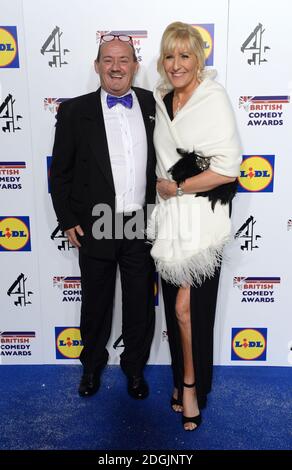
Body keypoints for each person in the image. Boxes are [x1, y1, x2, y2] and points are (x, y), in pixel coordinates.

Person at [50, 34, 156, 400]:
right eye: (108, 60)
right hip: (95, 221)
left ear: (134, 66)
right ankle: (92, 367)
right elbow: (59, 172)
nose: (115, 67)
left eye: (123, 59)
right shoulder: (74, 111)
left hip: (140, 221)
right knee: (95, 303)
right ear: (97, 66)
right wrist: (66, 219)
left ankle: (135, 370)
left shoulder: (152, 103)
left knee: (139, 303)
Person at [147, 22, 241, 430]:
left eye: (185, 56)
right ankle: (181, 380)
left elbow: (228, 169)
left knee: (188, 309)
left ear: (198, 60)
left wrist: (178, 186)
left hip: (203, 217)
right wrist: (165, 192)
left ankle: (191, 386)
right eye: (170, 56)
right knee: (174, 308)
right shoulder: (162, 98)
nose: (176, 64)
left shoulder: (212, 97)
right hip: (170, 220)